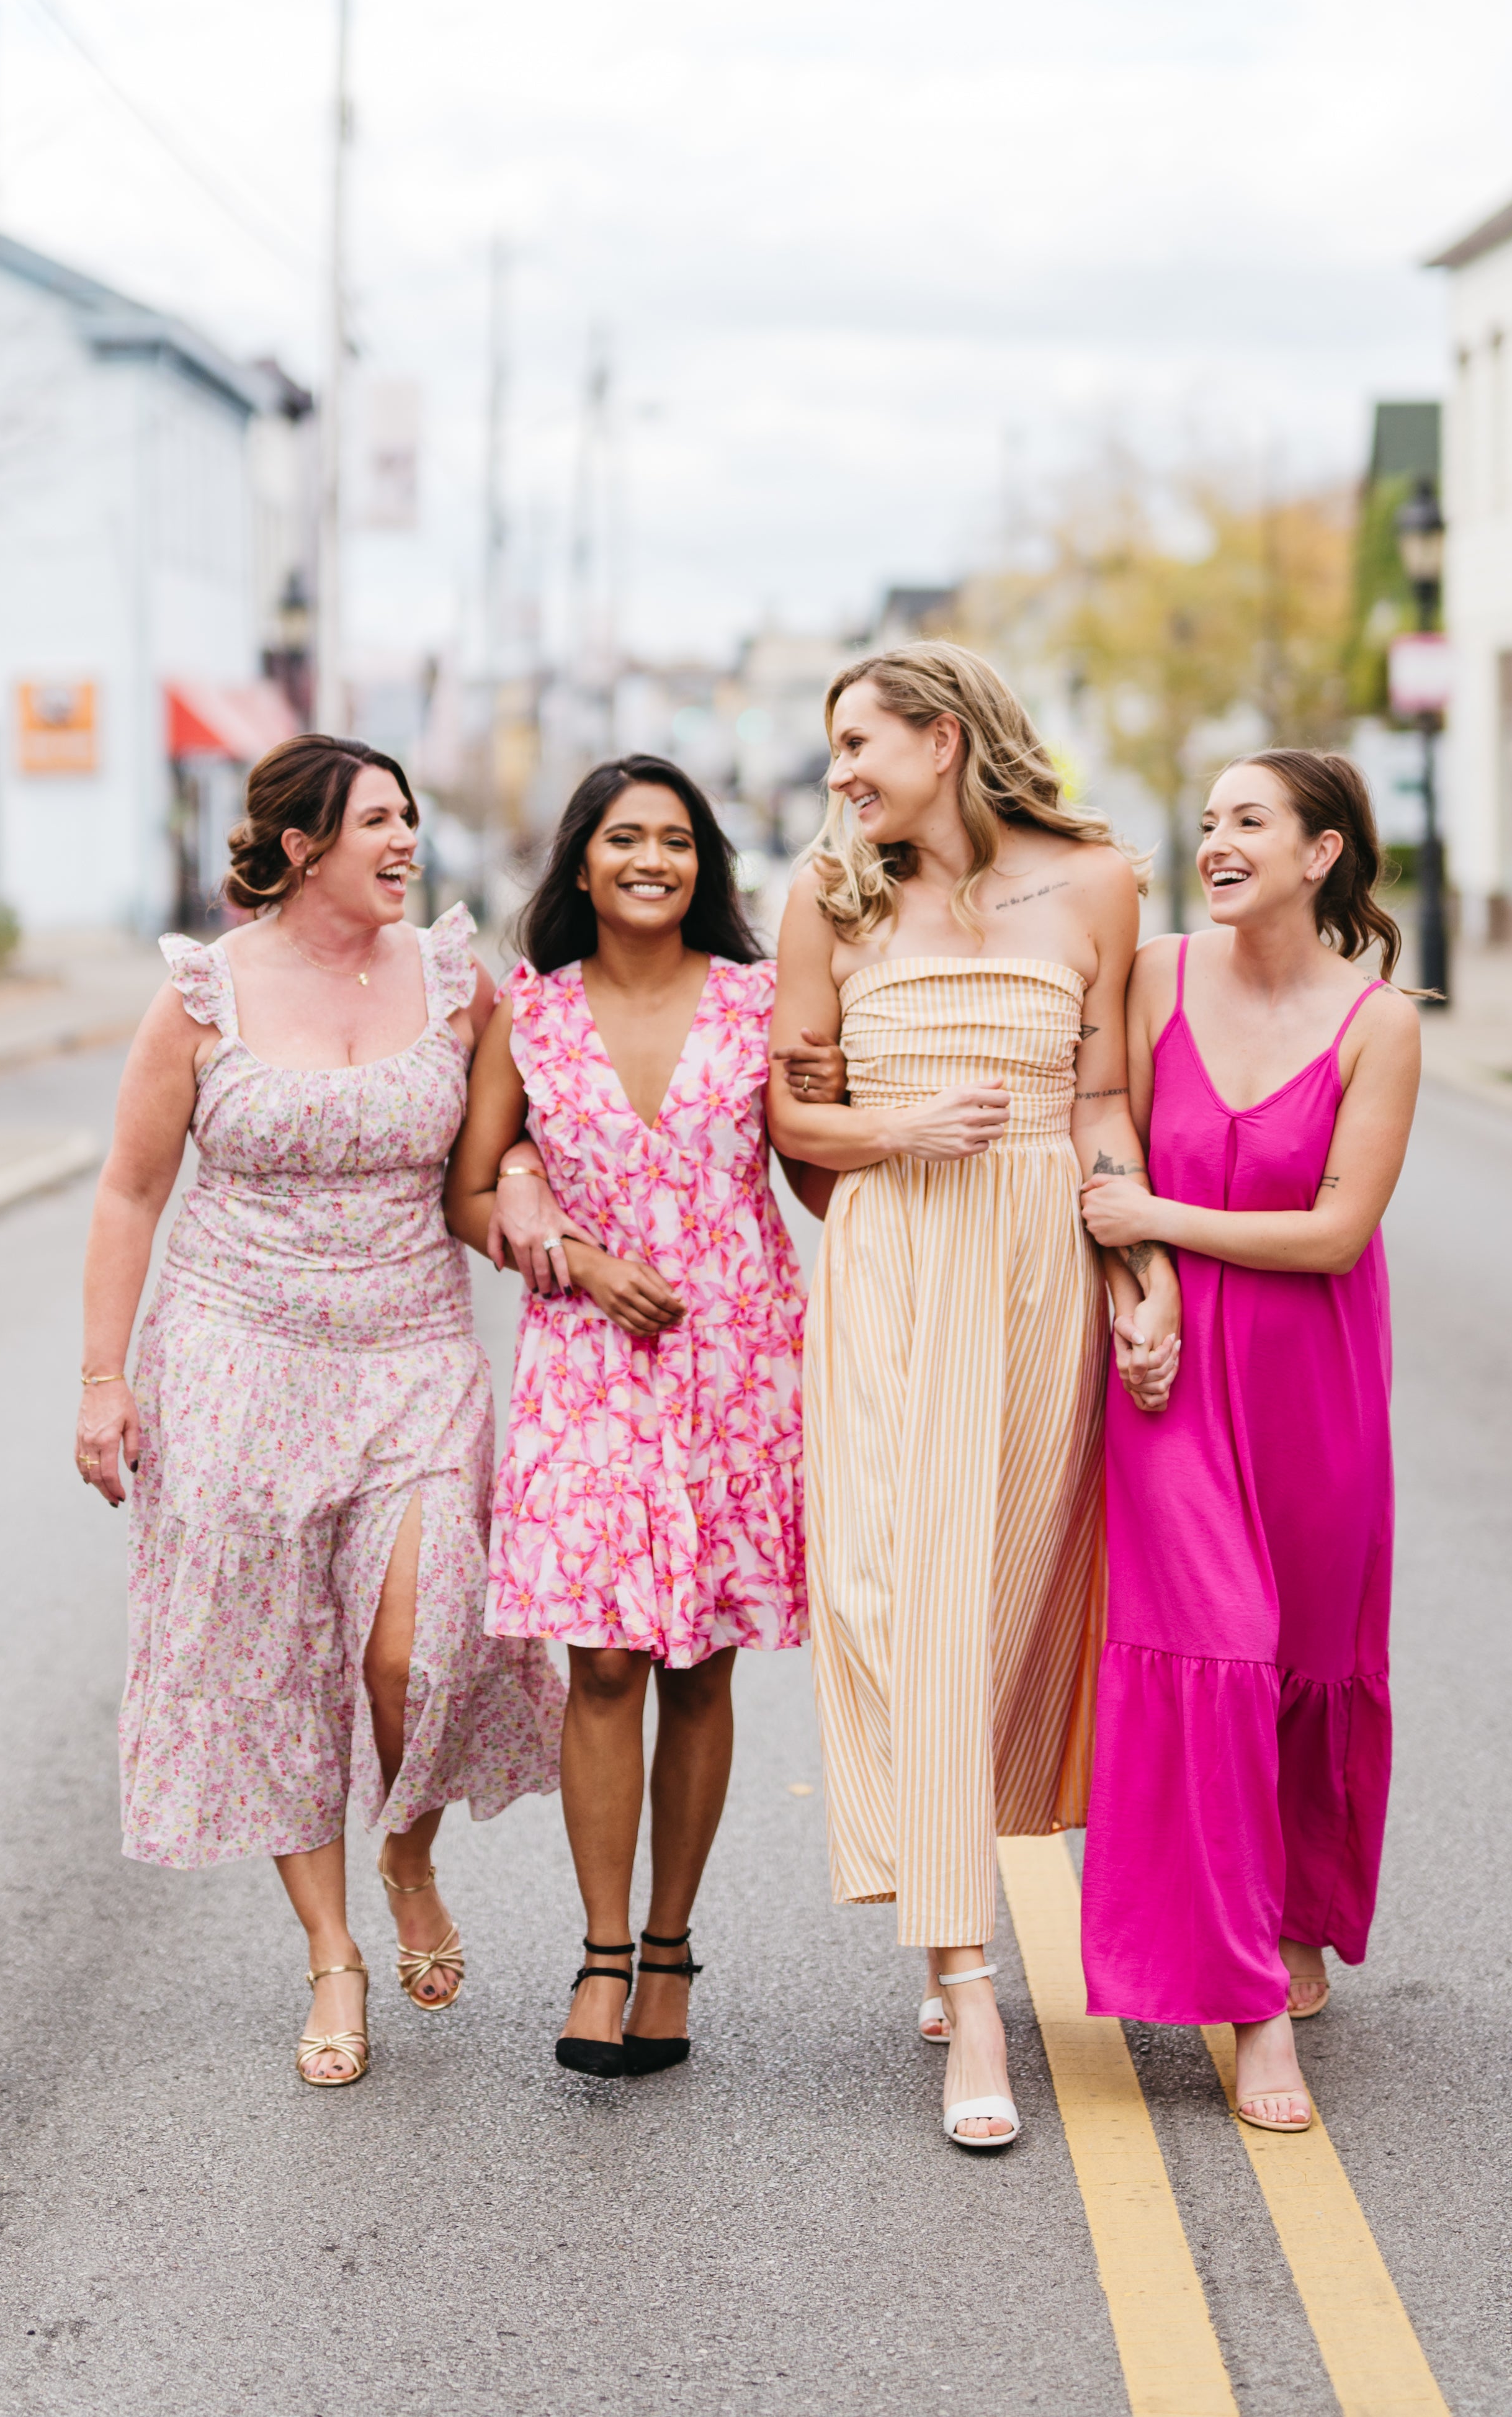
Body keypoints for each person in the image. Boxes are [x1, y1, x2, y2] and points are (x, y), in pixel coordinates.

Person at [74, 735, 565, 2087]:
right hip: (237, 1350)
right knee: (282, 1663)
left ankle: (407, 1843)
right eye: (377, 821)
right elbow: (130, 1188)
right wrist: (103, 1378)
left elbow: (521, 1120)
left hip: (410, 1348)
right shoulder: (202, 994)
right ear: (302, 847)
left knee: (418, 1643)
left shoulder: (461, 981)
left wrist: (518, 1166)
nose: (406, 840)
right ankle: (333, 1955)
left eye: (409, 817)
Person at [767, 641, 1181, 2153]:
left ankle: (950, 1882)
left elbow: (1101, 1102)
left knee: (1001, 1606)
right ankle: (967, 1974)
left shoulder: (1096, 883)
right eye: (831, 751)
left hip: (1034, 1268)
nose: (839, 775)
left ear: (943, 739)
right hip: (889, 1270)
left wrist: (1143, 1274)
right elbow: (788, 1115)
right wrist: (900, 1128)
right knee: (896, 1602)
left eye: (859, 743)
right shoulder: (825, 895)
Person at [447, 756, 834, 2079]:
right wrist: (558, 1242)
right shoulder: (532, 1014)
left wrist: (861, 1112)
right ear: (582, 862)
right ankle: (601, 1948)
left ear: (703, 864)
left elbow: (815, 1178)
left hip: (734, 1356)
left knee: (699, 1662)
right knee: (602, 1659)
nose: (652, 858)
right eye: (626, 838)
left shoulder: (758, 1000)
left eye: (676, 839)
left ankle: (671, 1942)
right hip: (589, 1356)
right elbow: (469, 1192)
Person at [1076, 751, 1422, 2134]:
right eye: (1208, 820)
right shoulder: (1154, 973)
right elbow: (1102, 1132)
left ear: (1321, 851)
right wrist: (1135, 1279)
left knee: (1305, 1663)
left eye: (1247, 821)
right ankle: (1247, 2011)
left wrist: (1156, 1223)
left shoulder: (1377, 1023)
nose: (1214, 841)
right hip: (1167, 1376)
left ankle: (1291, 1914)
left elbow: (1335, 1230)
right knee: (1211, 1649)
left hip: (1312, 1375)